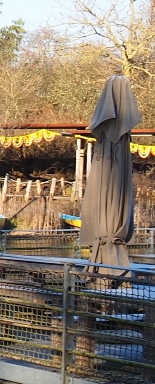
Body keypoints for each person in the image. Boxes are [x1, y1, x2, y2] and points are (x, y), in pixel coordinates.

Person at [79, 70, 143, 269]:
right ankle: (111, 258)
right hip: (112, 155)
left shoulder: (110, 143)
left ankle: (104, 262)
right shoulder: (117, 144)